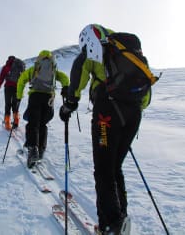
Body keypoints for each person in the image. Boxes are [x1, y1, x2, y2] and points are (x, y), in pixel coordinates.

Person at [59, 24, 151, 234]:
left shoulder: (96, 48)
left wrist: (70, 103)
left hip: (106, 114)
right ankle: (119, 220)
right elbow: (145, 98)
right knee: (114, 167)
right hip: (133, 114)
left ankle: (110, 226)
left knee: (103, 169)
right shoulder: (127, 52)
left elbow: (79, 70)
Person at [17, 50, 69, 168]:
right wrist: (65, 87)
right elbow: (65, 77)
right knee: (42, 124)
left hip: (35, 96)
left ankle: (32, 149)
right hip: (49, 98)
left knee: (33, 123)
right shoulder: (53, 68)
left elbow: (21, 80)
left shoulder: (34, 68)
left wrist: (19, 96)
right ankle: (40, 150)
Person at [0, 55, 25, 130]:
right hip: (17, 87)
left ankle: (7, 124)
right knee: (15, 104)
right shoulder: (20, 66)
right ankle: (16, 122)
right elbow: (24, 77)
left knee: (8, 104)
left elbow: (1, 78)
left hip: (8, 87)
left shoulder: (6, 66)